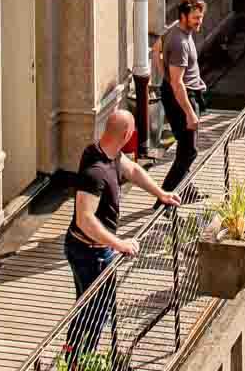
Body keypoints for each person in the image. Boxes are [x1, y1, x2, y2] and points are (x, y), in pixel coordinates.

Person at [62, 109, 179, 361]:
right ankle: (78, 361)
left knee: (87, 306)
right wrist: (120, 244)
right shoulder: (95, 171)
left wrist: (161, 194)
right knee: (97, 311)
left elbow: (134, 171)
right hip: (89, 252)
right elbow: (85, 218)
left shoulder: (106, 152)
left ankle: (72, 356)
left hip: (91, 249)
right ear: (127, 134)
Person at [157, 0, 208, 195]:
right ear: (183, 16)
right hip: (183, 98)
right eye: (195, 18)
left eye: (201, 17)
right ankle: (165, 198)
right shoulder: (179, 41)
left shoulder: (177, 30)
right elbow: (178, 84)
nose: (199, 22)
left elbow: (156, 51)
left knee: (185, 147)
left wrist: (165, 76)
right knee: (189, 151)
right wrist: (190, 113)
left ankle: (186, 190)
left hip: (183, 93)